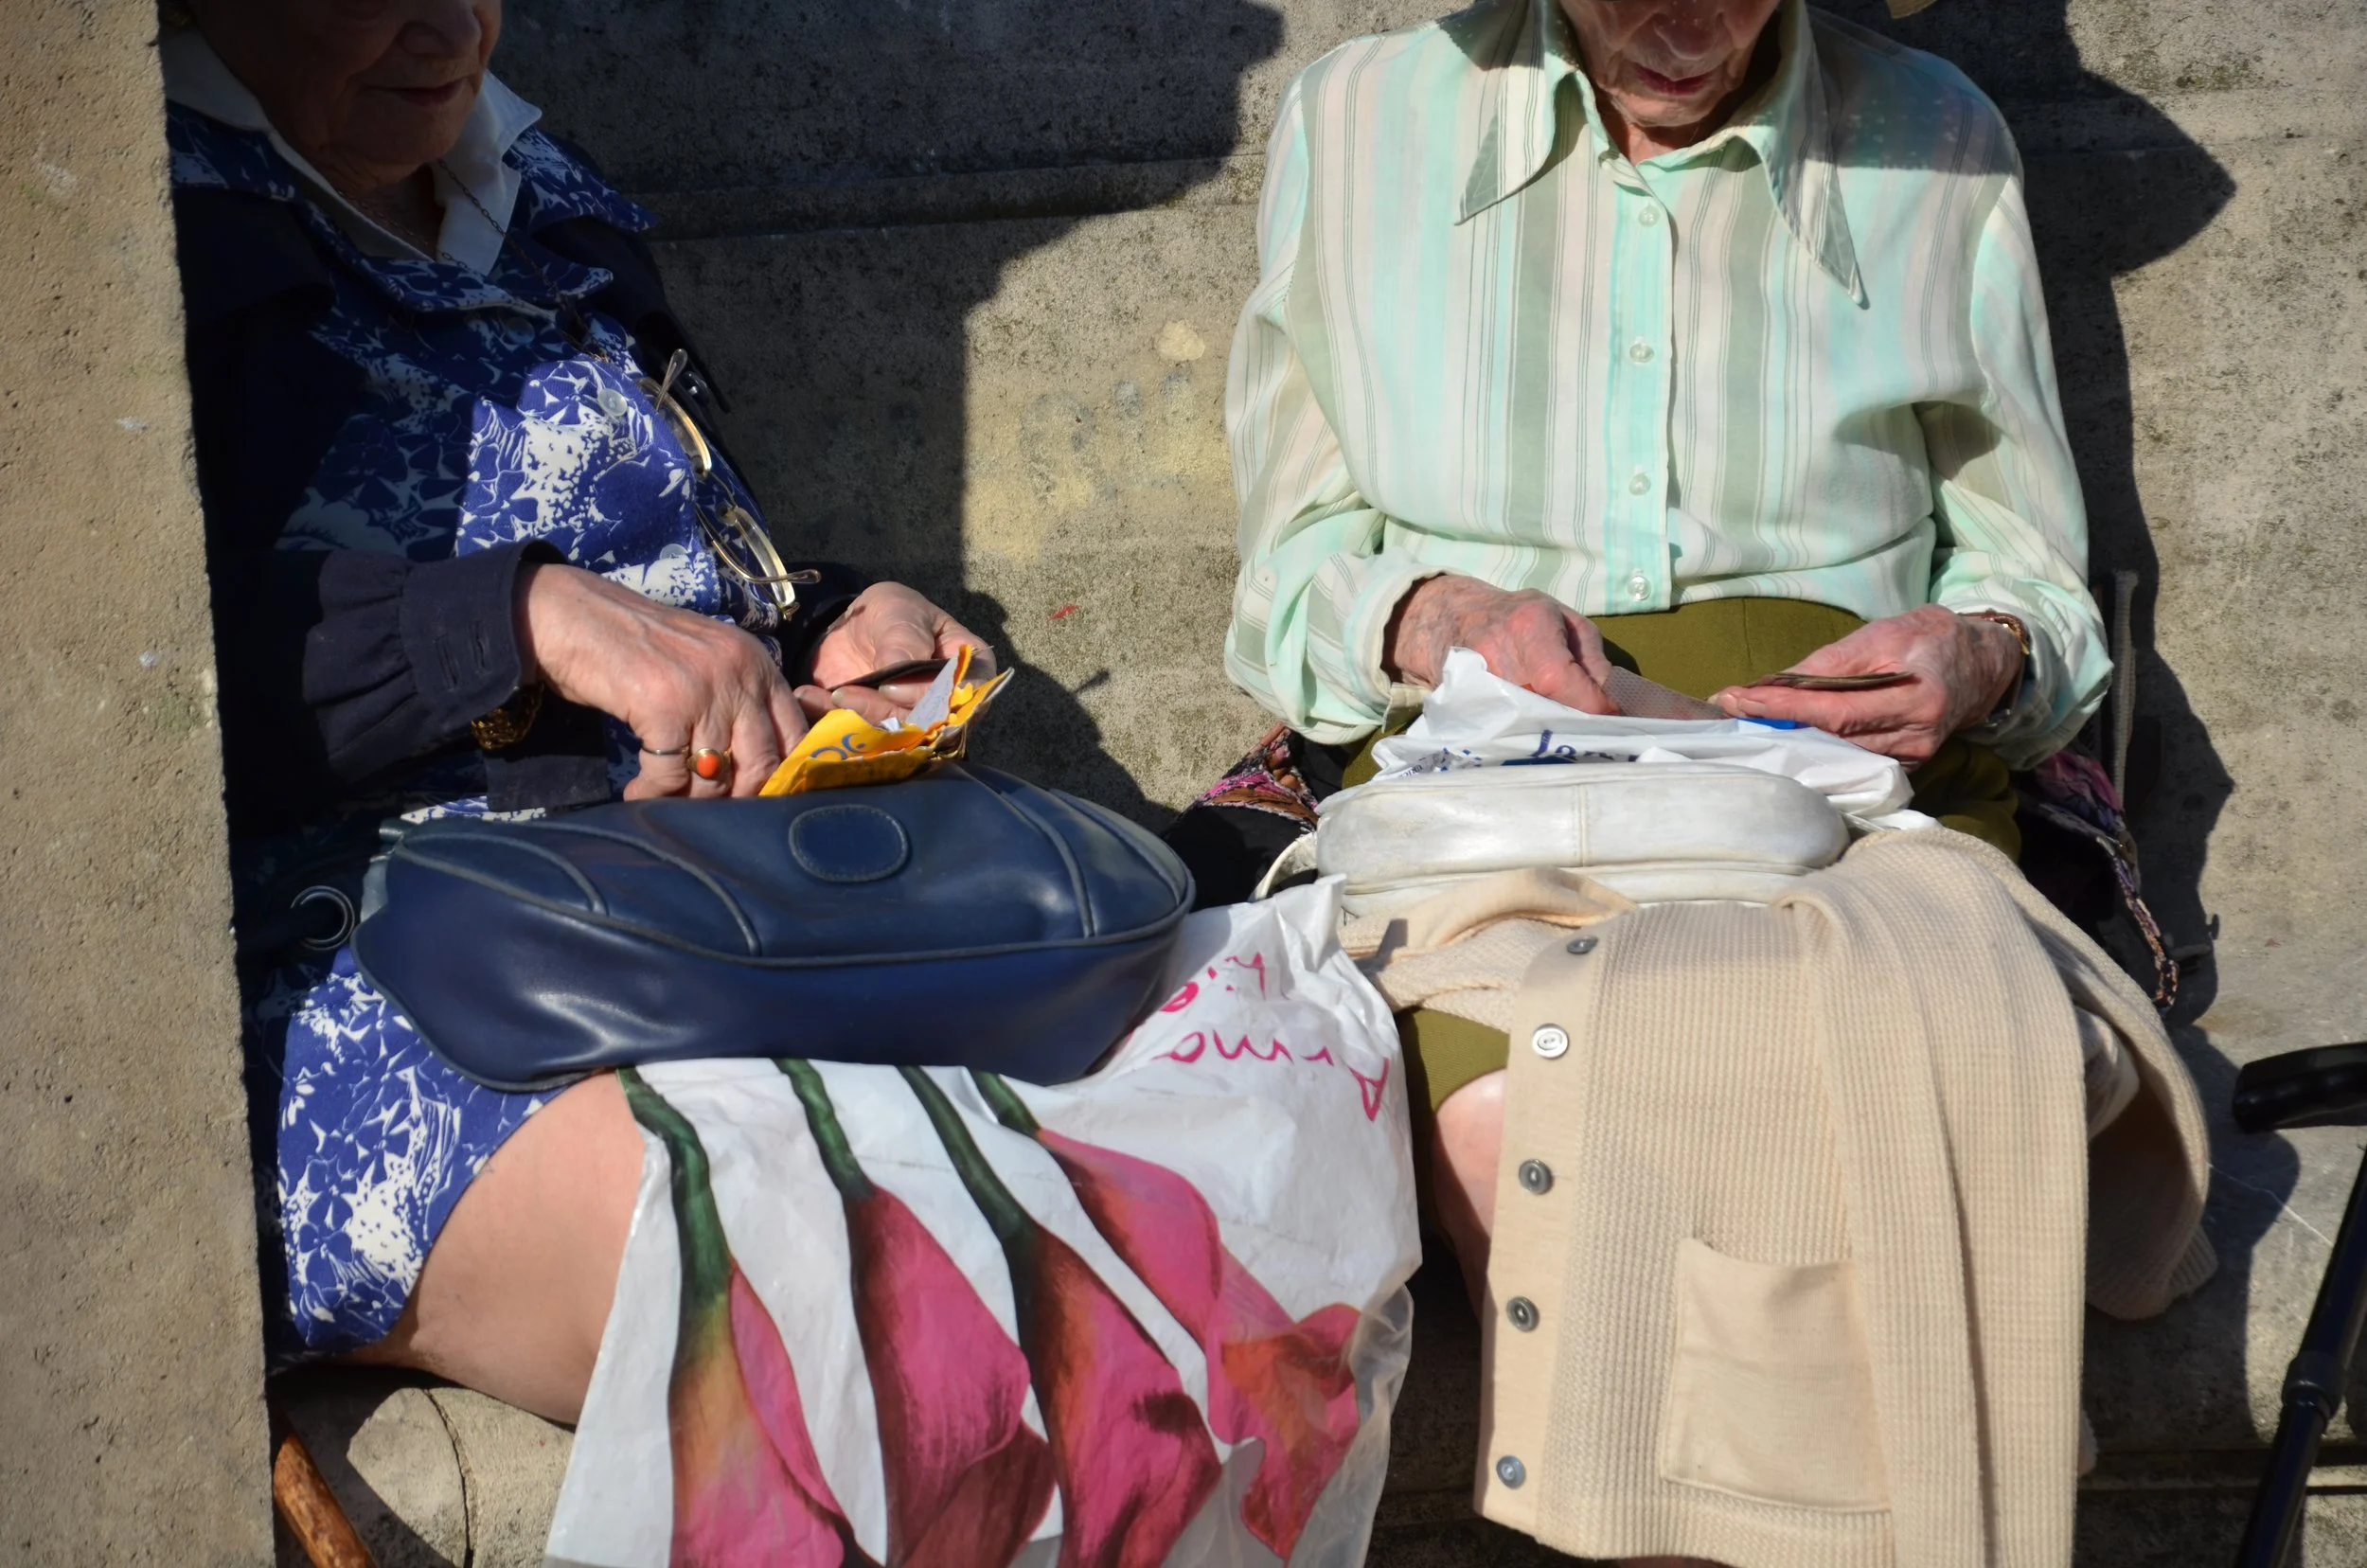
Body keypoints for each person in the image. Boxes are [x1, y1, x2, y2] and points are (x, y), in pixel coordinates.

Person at [1186, 0, 2111, 1552]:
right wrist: (1434, 616)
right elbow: (1290, 571)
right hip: (1492, 783)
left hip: (1850, 793)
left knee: (1893, 1086)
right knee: (1525, 1123)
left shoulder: (1938, 135)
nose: (1680, 23)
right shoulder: (1359, 124)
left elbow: (2035, 577)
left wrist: (1980, 650)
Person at [168, 0, 989, 1420]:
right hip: (391, 964)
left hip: (705, 910)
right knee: (814, 1283)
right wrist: (514, 620)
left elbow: (662, 552)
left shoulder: (537, 183)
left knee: (1144, 1142)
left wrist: (821, 623)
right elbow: (103, 698)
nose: (450, 26)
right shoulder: (125, 224)